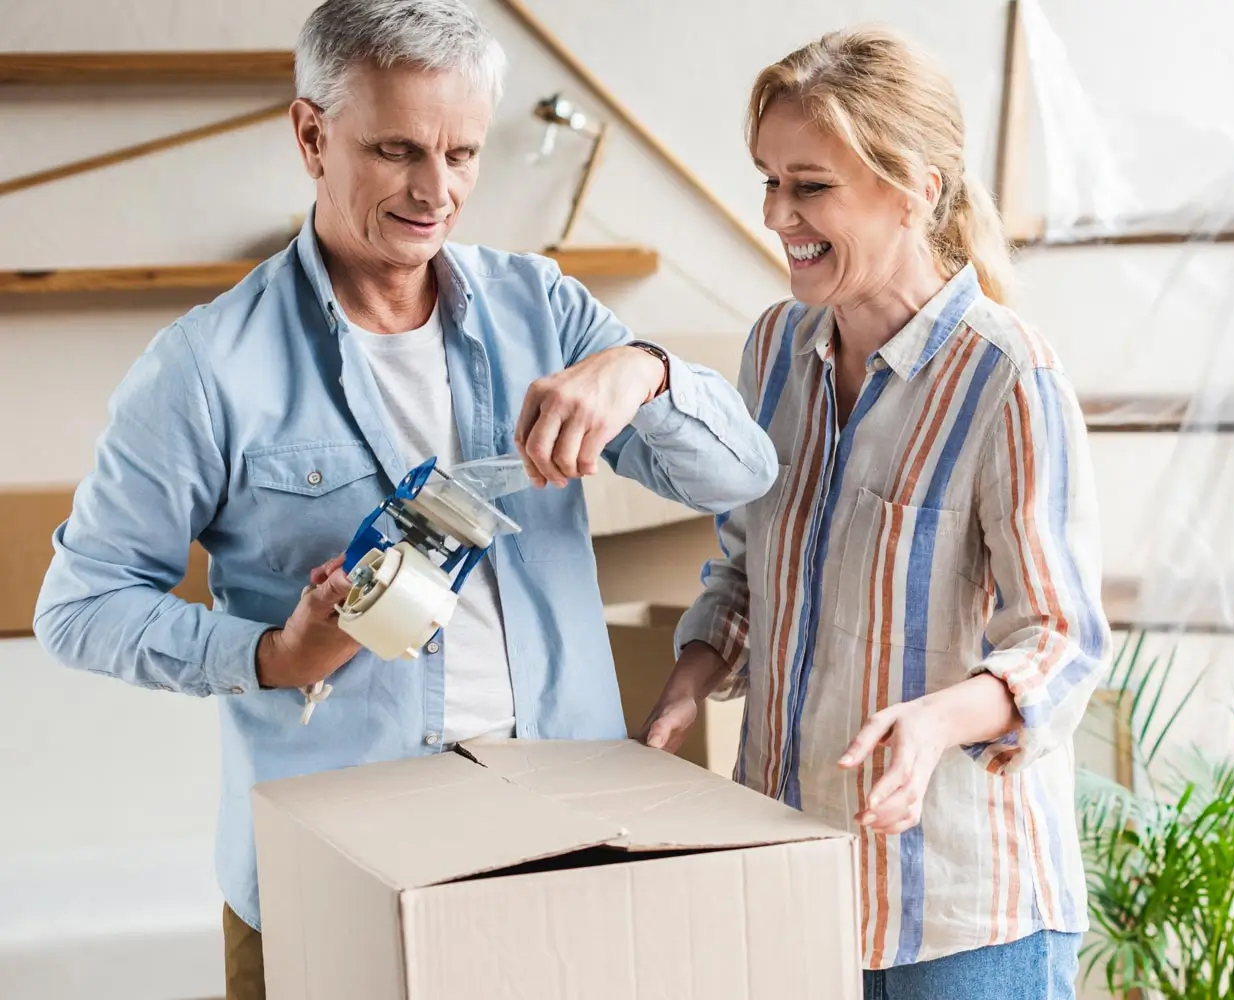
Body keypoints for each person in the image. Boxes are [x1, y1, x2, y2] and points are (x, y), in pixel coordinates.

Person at [32, 2, 775, 997]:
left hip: (567, 850)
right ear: (311, 135)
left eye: (462, 153)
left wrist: (639, 370)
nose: (438, 191)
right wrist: (269, 654)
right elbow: (78, 607)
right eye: (397, 150)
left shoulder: (543, 309)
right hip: (332, 883)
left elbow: (740, 472)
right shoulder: (206, 367)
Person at [639, 27, 1106, 999]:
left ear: (914, 188)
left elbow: (1060, 644)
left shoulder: (1006, 377)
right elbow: (743, 566)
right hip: (790, 889)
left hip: (965, 919)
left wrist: (936, 721)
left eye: (809, 186)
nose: (776, 215)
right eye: (768, 180)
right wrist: (690, 678)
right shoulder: (773, 348)